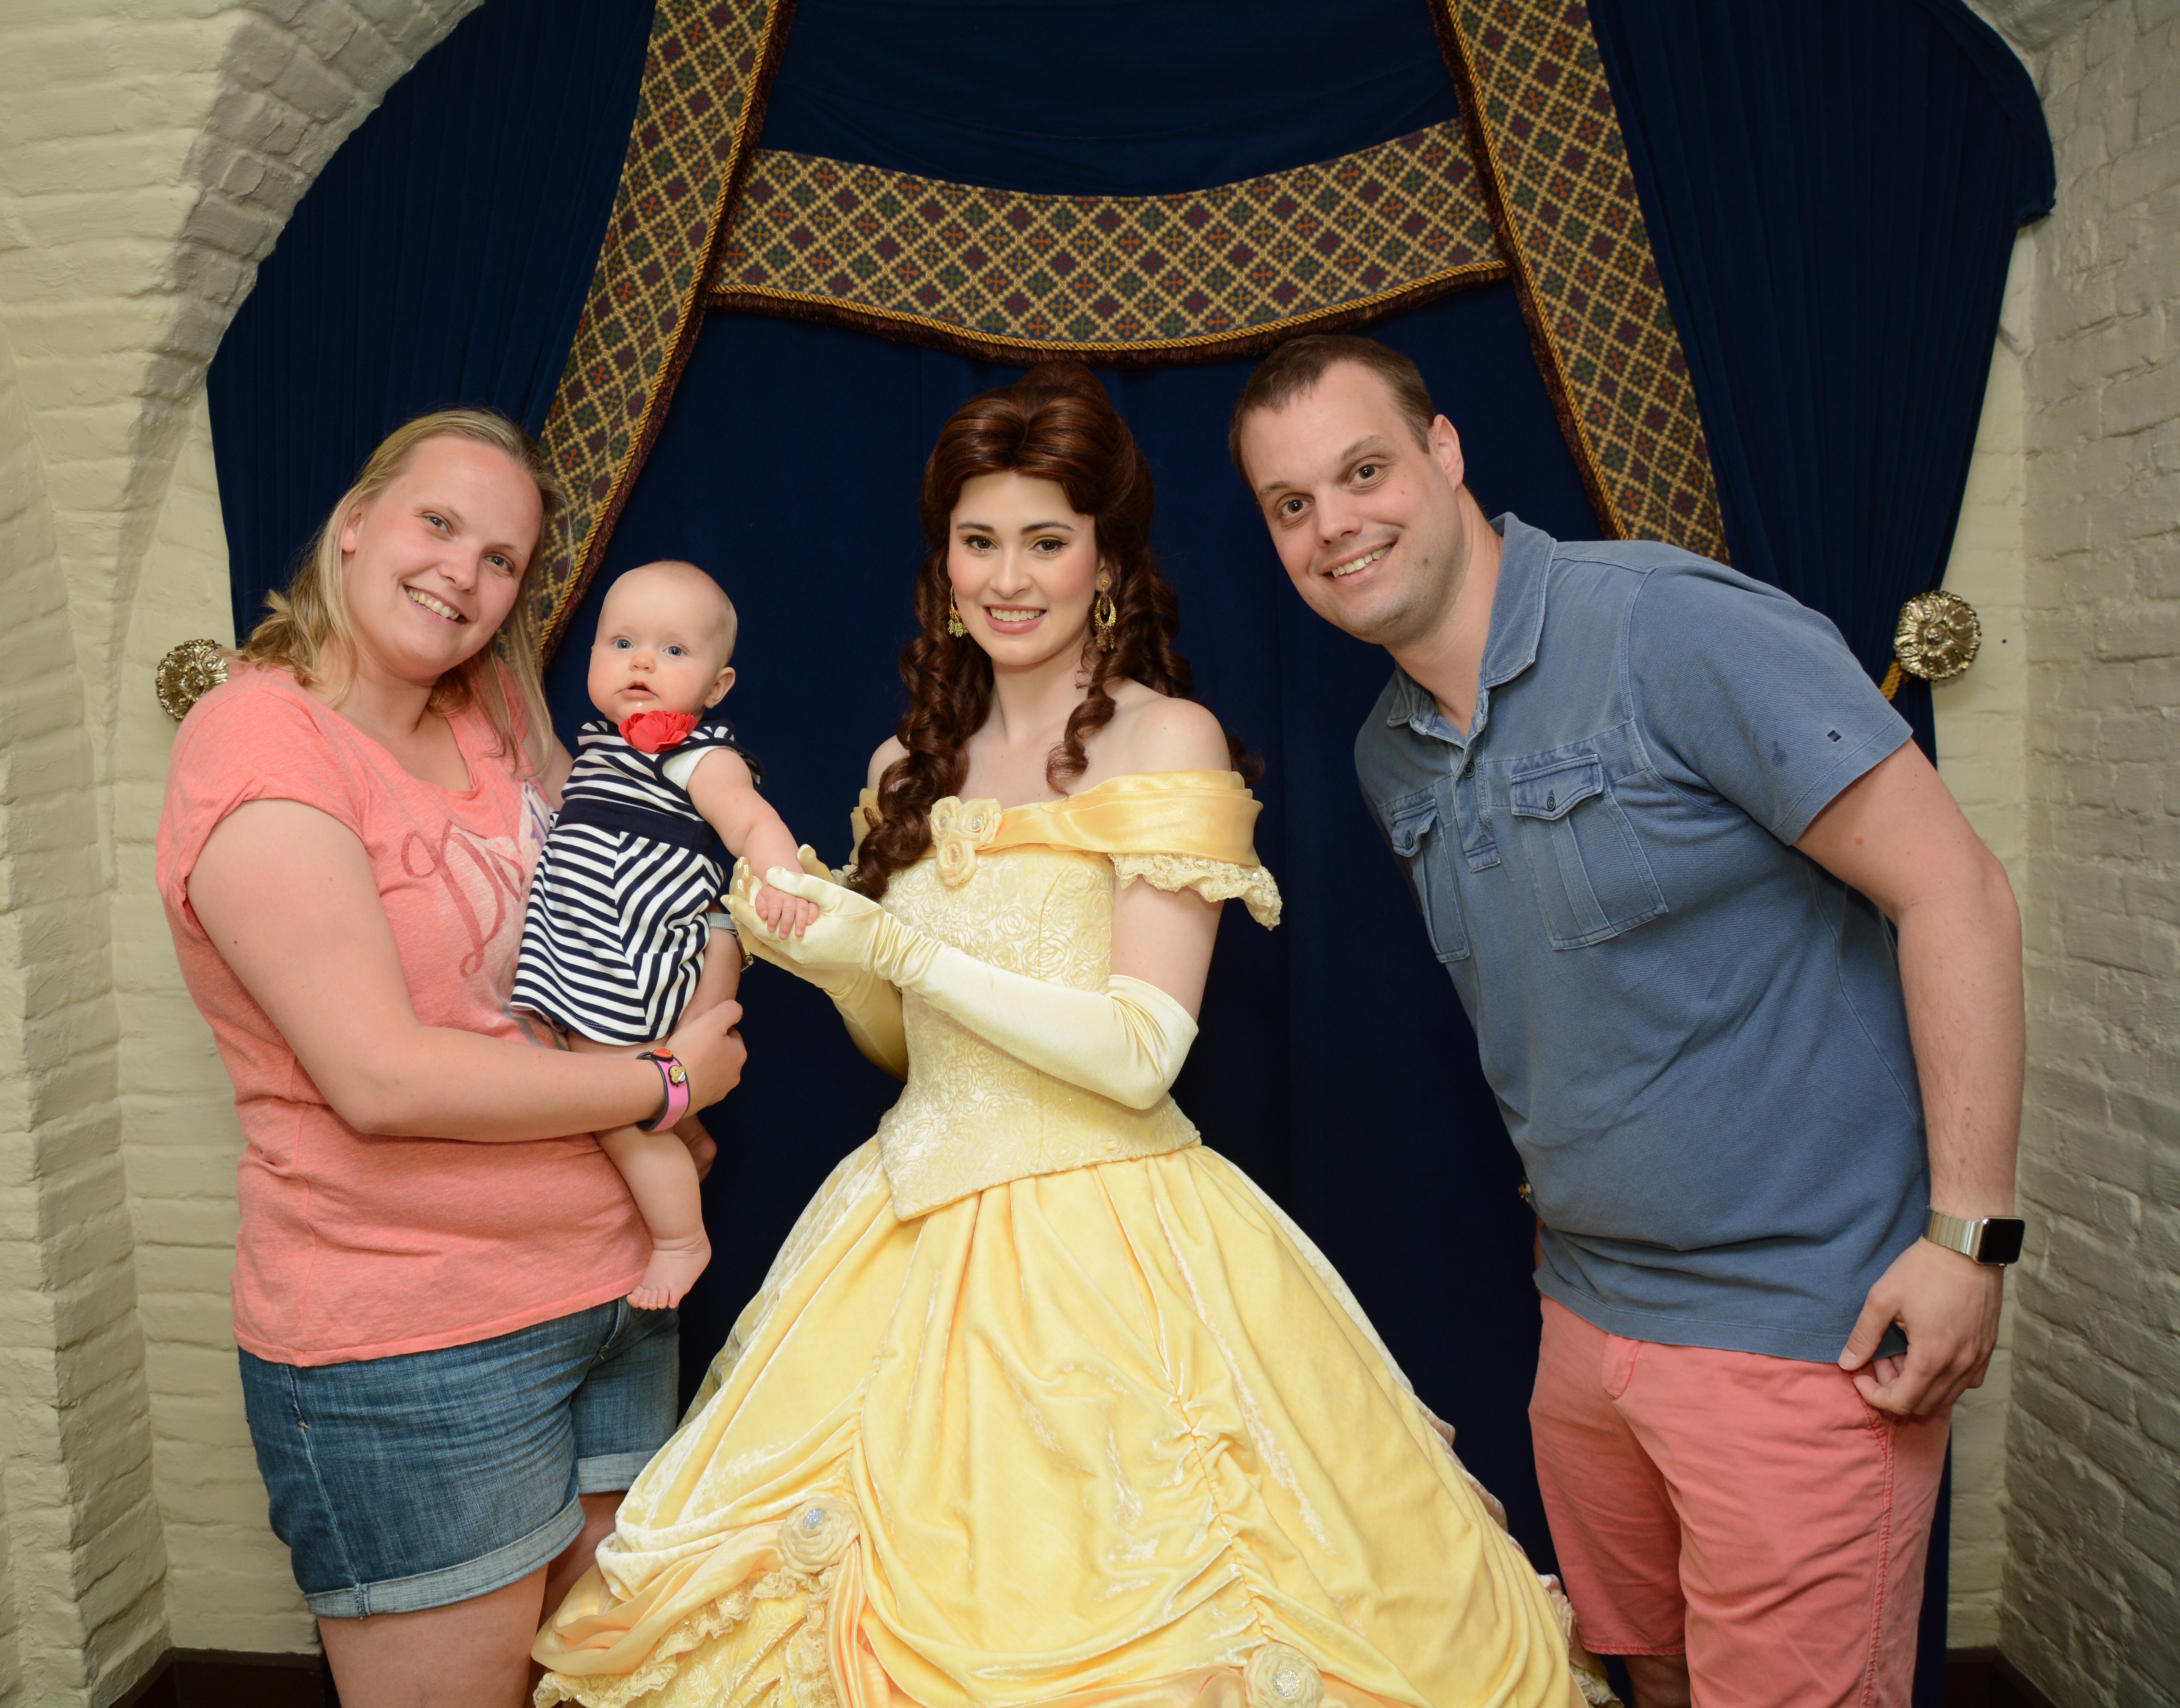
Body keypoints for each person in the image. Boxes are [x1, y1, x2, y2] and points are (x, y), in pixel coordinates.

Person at [532, 365, 1594, 1708]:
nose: (1009, 577)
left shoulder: (1169, 739)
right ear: (944, 563)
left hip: (1119, 1246)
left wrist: (897, 948)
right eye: (979, 542)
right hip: (902, 1229)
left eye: (1046, 541)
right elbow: (911, 1051)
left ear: (1107, 559)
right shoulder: (905, 764)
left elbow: (1142, 1054)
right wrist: (831, 964)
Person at [1230, 334, 2026, 1708]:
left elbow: (1957, 891)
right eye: (1290, 504)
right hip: (1587, 1323)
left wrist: (1971, 1239)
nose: (1334, 525)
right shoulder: (1388, 754)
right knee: (1645, 1680)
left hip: (1803, 1326)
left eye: (1364, 472)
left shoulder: (1666, 626)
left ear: (1445, 452)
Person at [155, 409, 746, 1708]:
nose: (462, 575)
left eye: (502, 559)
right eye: (438, 524)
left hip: (615, 1299)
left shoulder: (494, 716)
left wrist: (715, 954)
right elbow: (384, 1080)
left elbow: (607, 919)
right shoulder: (263, 744)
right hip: (420, 1345)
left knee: (609, 1691)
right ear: (353, 523)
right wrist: (666, 1084)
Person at [510, 559, 817, 1308]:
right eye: (622, 643)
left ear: (717, 686)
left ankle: (682, 1238)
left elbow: (752, 823)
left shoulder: (698, 756)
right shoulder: (602, 747)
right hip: (587, 945)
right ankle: (690, 1136)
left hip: (633, 950)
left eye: (674, 650)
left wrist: (784, 882)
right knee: (594, 1077)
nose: (642, 663)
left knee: (613, 1103)